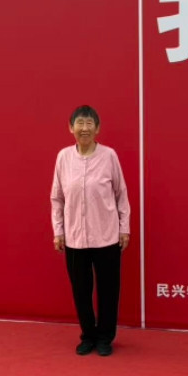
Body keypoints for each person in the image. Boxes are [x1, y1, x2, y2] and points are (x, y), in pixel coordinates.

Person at [50, 105, 130, 356]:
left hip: (106, 236)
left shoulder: (109, 156)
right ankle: (88, 335)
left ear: (97, 128)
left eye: (89, 123)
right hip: (75, 238)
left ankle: (105, 337)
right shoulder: (63, 158)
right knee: (80, 290)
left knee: (108, 290)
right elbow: (57, 197)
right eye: (80, 123)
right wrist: (58, 231)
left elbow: (121, 194)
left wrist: (124, 228)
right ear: (70, 128)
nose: (84, 128)